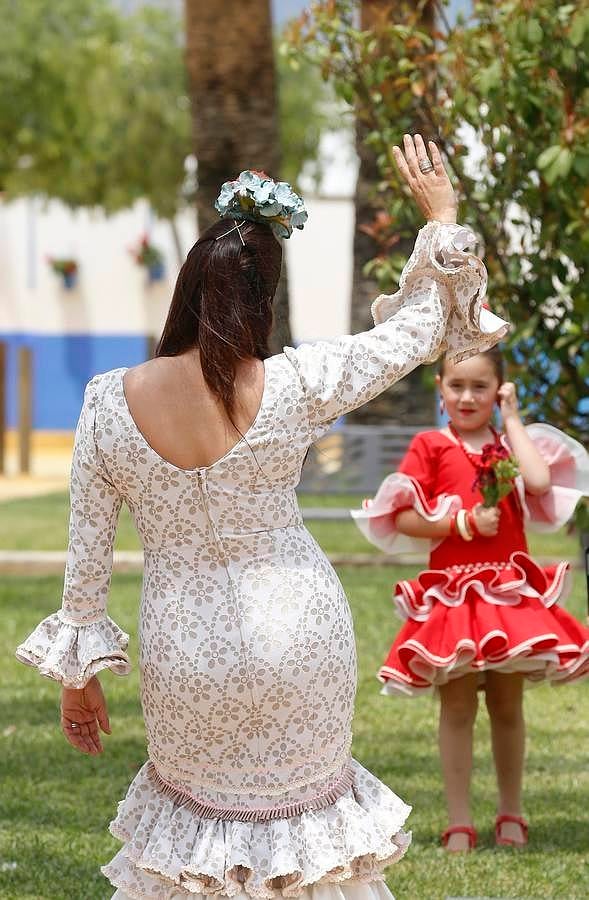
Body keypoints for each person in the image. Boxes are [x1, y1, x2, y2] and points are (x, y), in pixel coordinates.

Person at [16, 135, 507, 899]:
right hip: (300, 635)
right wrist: (442, 221)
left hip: (186, 647)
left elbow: (87, 557)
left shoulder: (107, 400)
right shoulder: (297, 383)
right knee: (306, 840)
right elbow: (417, 332)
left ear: (187, 286)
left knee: (197, 841)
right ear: (263, 297)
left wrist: (78, 679)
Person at [353, 347, 589, 854]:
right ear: (440, 386)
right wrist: (459, 522)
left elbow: (541, 481)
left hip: (506, 594)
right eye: (456, 385)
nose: (467, 396)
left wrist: (513, 417)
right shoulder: (430, 445)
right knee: (457, 705)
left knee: (507, 704)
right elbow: (401, 518)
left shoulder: (509, 445)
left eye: (481, 387)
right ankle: (459, 819)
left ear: (499, 389)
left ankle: (511, 812)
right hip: (453, 592)